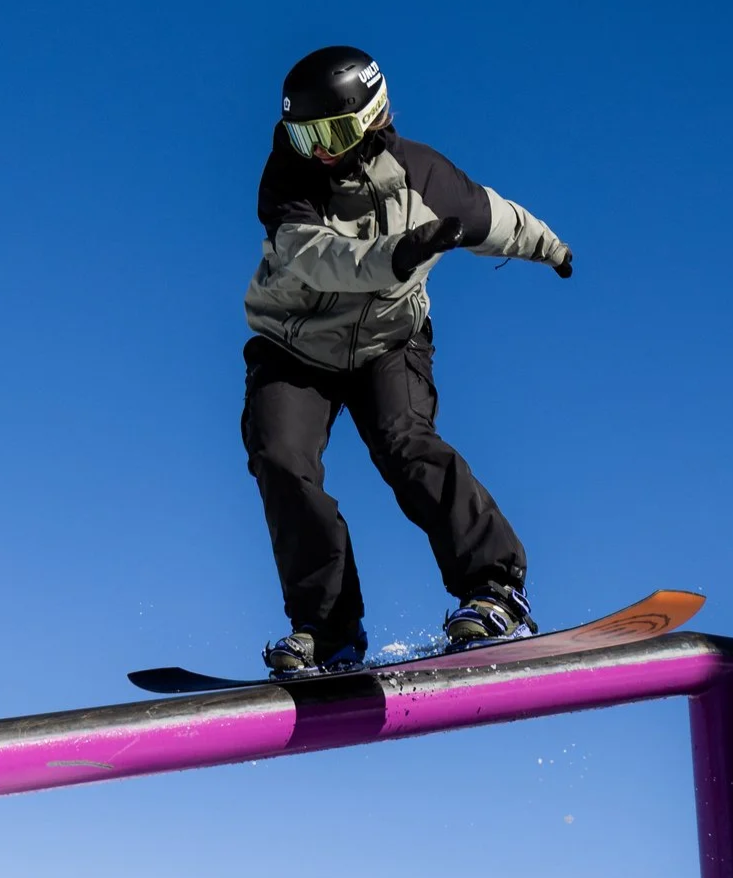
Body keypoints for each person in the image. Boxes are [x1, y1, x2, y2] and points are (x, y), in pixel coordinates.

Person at [241, 45, 572, 675]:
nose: (318, 152)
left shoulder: (426, 176)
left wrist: (552, 249)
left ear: (372, 115)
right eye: (303, 135)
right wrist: (393, 256)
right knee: (280, 457)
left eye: (331, 133)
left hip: (390, 342)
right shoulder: (287, 179)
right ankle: (326, 626)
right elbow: (314, 256)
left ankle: (494, 589)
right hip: (293, 342)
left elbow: (495, 218)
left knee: (407, 443)